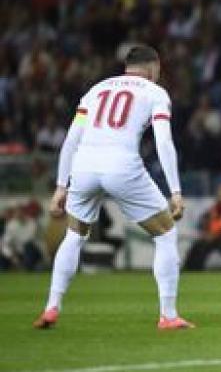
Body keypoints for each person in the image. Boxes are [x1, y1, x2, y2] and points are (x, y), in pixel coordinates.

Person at [32, 44, 194, 330]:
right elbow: (163, 142)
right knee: (166, 234)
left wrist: (61, 185)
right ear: (153, 67)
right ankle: (168, 315)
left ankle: (51, 308)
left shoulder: (96, 90)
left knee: (74, 235)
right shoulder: (155, 93)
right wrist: (176, 191)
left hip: (83, 166)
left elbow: (71, 140)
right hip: (122, 165)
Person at [183, 183, 221, 270]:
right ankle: (191, 268)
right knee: (198, 247)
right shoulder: (213, 209)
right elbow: (203, 222)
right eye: (219, 193)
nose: (220, 195)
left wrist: (219, 235)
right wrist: (206, 232)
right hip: (212, 237)